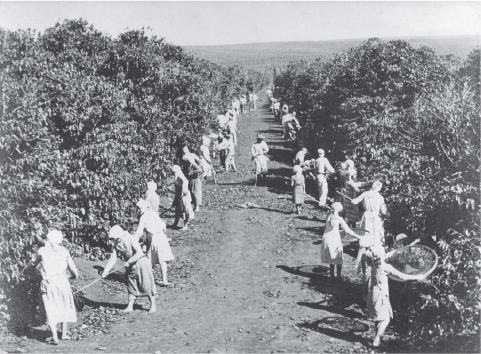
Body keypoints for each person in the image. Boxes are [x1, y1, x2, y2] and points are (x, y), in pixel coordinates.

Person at [365, 244, 424, 347]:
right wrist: (419, 276)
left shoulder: (373, 263)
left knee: (379, 317)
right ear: (381, 255)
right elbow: (402, 276)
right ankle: (377, 339)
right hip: (381, 295)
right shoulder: (386, 267)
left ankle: (377, 337)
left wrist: (398, 250)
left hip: (372, 293)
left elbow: (387, 255)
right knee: (386, 318)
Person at [28, 230, 78, 345]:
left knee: (51, 309)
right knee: (64, 306)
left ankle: (54, 337)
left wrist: (26, 272)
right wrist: (67, 277)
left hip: (49, 284)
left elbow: (31, 264)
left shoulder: (42, 251)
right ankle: (64, 334)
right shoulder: (64, 251)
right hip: (63, 282)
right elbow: (75, 273)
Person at [102, 225, 157, 313]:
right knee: (131, 285)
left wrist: (129, 261)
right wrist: (105, 271)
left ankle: (153, 305)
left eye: (116, 238)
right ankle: (130, 307)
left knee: (147, 284)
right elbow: (113, 258)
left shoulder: (130, 239)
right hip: (131, 266)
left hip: (142, 263)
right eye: (114, 239)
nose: (115, 240)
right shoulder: (117, 243)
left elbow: (139, 253)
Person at [134, 200, 175, 286]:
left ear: (146, 207)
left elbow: (139, 232)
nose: (138, 210)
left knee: (149, 258)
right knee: (163, 259)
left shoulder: (143, 217)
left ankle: (148, 280)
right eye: (137, 208)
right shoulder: (154, 213)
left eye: (140, 208)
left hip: (153, 238)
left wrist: (135, 241)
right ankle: (164, 280)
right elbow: (163, 225)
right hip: (162, 237)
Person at [321, 203, 363, 279]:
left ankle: (332, 275)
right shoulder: (339, 219)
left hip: (327, 237)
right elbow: (348, 230)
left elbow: (327, 228)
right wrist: (358, 236)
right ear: (339, 210)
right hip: (334, 238)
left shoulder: (328, 216)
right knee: (338, 255)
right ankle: (339, 276)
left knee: (332, 256)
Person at [351, 180, 387, 245]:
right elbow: (383, 211)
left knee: (366, 230)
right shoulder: (380, 197)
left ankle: (365, 246)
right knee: (376, 231)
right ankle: (375, 246)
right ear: (379, 188)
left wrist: (353, 201)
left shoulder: (365, 194)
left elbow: (355, 201)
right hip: (376, 216)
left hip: (366, 215)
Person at [172, 165, 195, 230]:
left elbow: (185, 181)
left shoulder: (180, 175)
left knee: (184, 210)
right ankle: (175, 223)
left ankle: (186, 225)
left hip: (184, 196)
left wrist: (184, 190)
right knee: (178, 209)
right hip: (179, 195)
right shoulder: (176, 176)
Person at [182, 146, 203, 212]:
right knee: (191, 192)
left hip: (195, 178)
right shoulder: (186, 163)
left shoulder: (192, 162)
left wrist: (193, 171)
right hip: (189, 178)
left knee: (196, 192)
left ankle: (197, 206)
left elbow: (200, 169)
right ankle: (194, 206)